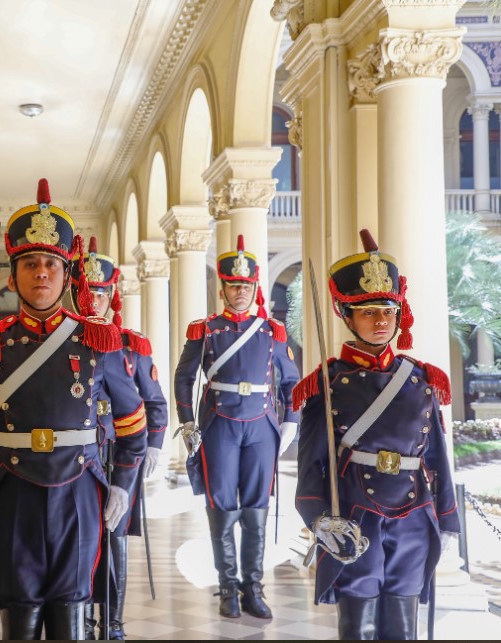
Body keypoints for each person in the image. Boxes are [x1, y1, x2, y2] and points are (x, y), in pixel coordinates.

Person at [0, 179, 147, 640]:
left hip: (80, 494)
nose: (41, 273)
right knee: (20, 609)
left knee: (71, 612)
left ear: (66, 272)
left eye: (51, 263)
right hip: (10, 492)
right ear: (13, 276)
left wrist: (122, 487)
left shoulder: (97, 339)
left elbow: (133, 424)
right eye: (30, 263)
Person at [293, 229, 460, 640]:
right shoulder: (327, 384)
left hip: (414, 515)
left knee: (403, 629)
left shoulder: (422, 380)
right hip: (354, 513)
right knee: (358, 629)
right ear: (347, 316)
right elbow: (311, 464)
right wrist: (318, 519)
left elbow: (435, 456)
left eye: (388, 310)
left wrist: (448, 518)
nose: (381, 320)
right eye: (368, 311)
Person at [173, 234, 300, 619]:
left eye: (246, 286)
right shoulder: (206, 329)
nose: (240, 292)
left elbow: (291, 380)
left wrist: (290, 420)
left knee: (257, 511)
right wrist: (188, 421)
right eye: (233, 285)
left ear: (253, 287)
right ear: (223, 288)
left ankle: (253, 589)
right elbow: (183, 378)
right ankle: (227, 587)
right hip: (219, 426)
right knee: (223, 509)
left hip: (262, 425)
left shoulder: (271, 331)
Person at [69, 237, 167, 640]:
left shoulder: (132, 345)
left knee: (115, 534)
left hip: (121, 451)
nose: (94, 300)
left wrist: (155, 445)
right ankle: (78, 617)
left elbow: (154, 401)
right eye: (87, 292)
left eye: (101, 292)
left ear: (113, 294)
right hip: (80, 455)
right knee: (80, 536)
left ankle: (111, 619)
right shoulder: (66, 341)